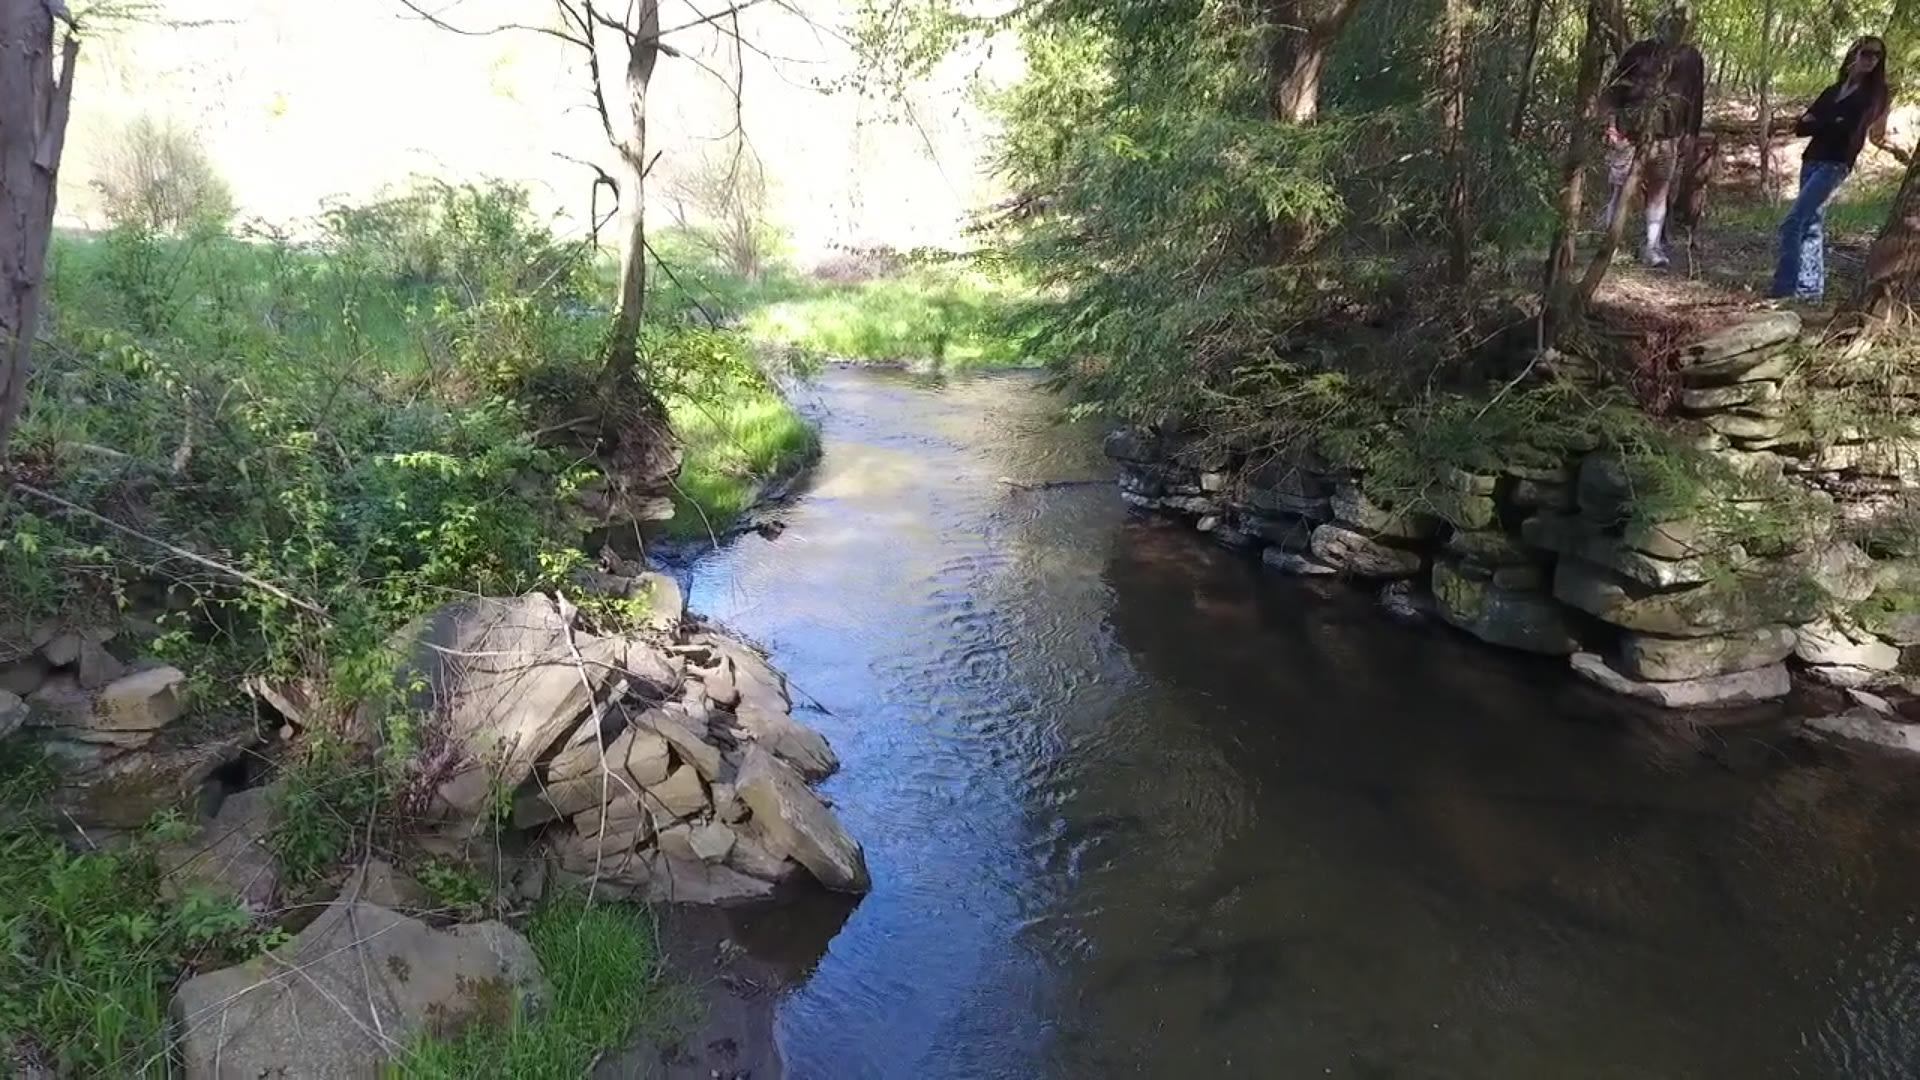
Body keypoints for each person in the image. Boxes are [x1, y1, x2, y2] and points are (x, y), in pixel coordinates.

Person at [1770, 35, 1911, 301]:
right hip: (1811, 159)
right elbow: (1801, 127)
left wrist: (1823, 121)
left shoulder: (1875, 95)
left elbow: (1850, 129)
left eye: (1877, 56)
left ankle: (1783, 290)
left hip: (1836, 163)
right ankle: (1810, 293)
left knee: (1793, 222)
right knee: (1811, 225)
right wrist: (1830, 121)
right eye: (1867, 53)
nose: (1872, 59)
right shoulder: (1832, 91)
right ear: (1853, 55)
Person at [1597, 5, 1707, 268]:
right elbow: (1613, 89)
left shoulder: (1690, 57)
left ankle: (1652, 247)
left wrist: (1690, 134)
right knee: (1620, 189)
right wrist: (1610, 125)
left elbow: (1695, 98)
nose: (1674, 26)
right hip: (1628, 134)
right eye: (1670, 20)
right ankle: (1610, 245)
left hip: (1666, 137)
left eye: (1680, 22)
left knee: (1659, 191)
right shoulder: (1638, 52)